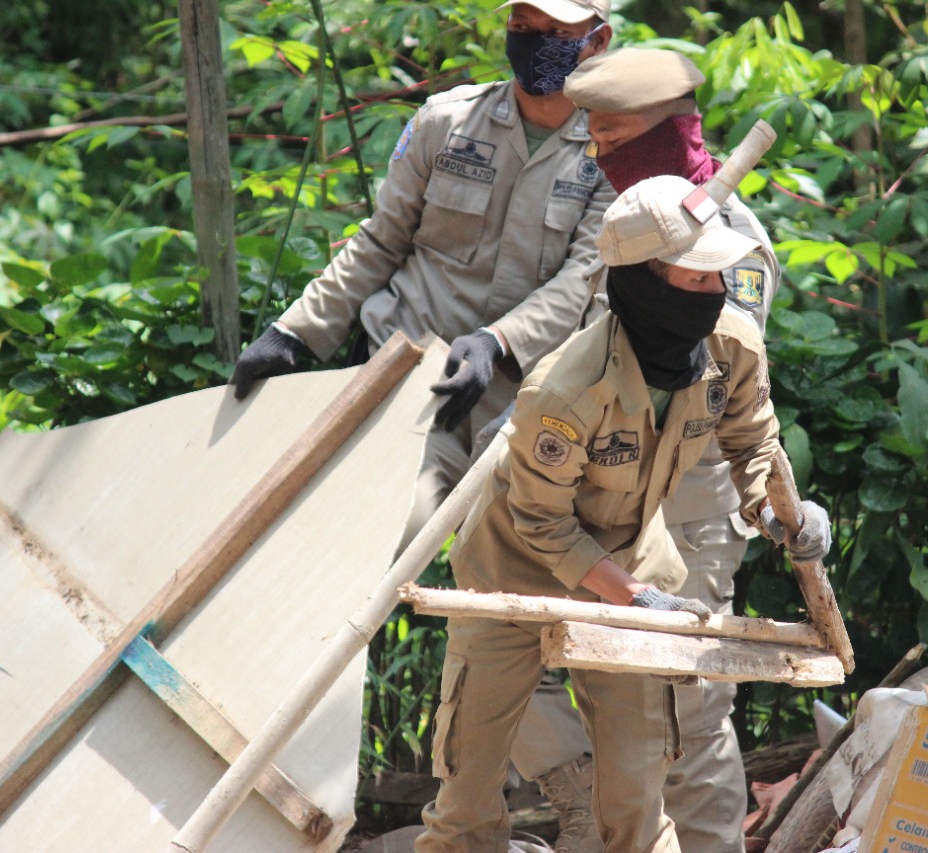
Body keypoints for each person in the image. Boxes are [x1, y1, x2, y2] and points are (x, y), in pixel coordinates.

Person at [414, 172, 831, 852]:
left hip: (633, 554)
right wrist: (635, 597)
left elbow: (753, 443)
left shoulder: (732, 349)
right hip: (512, 567)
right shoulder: (567, 388)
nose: (715, 293)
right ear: (643, 282)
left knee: (638, 796)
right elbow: (542, 524)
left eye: (717, 277)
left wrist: (781, 511)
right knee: (467, 794)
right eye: (695, 279)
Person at [506, 48, 781, 852]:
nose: (598, 151)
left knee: (685, 711)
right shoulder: (633, 217)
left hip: (686, 510)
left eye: (616, 134)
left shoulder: (727, 239)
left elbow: (728, 386)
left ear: (670, 132)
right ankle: (591, 799)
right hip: (596, 507)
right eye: (592, 135)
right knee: (522, 650)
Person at [228, 0, 615, 553]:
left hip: (518, 406)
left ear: (597, 42)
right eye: (522, 27)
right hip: (409, 375)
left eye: (556, 32)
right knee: (377, 540)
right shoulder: (446, 120)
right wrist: (295, 333)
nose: (533, 42)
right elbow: (382, 238)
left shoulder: (613, 148)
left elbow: (585, 279)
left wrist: (497, 342)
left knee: (500, 570)